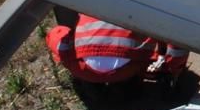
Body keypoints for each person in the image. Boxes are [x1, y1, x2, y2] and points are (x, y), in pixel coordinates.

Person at [46, 13, 188, 85]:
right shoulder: (147, 1)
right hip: (129, 67)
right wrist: (170, 69)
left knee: (57, 34)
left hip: (84, 68)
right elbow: (175, 43)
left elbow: (59, 40)